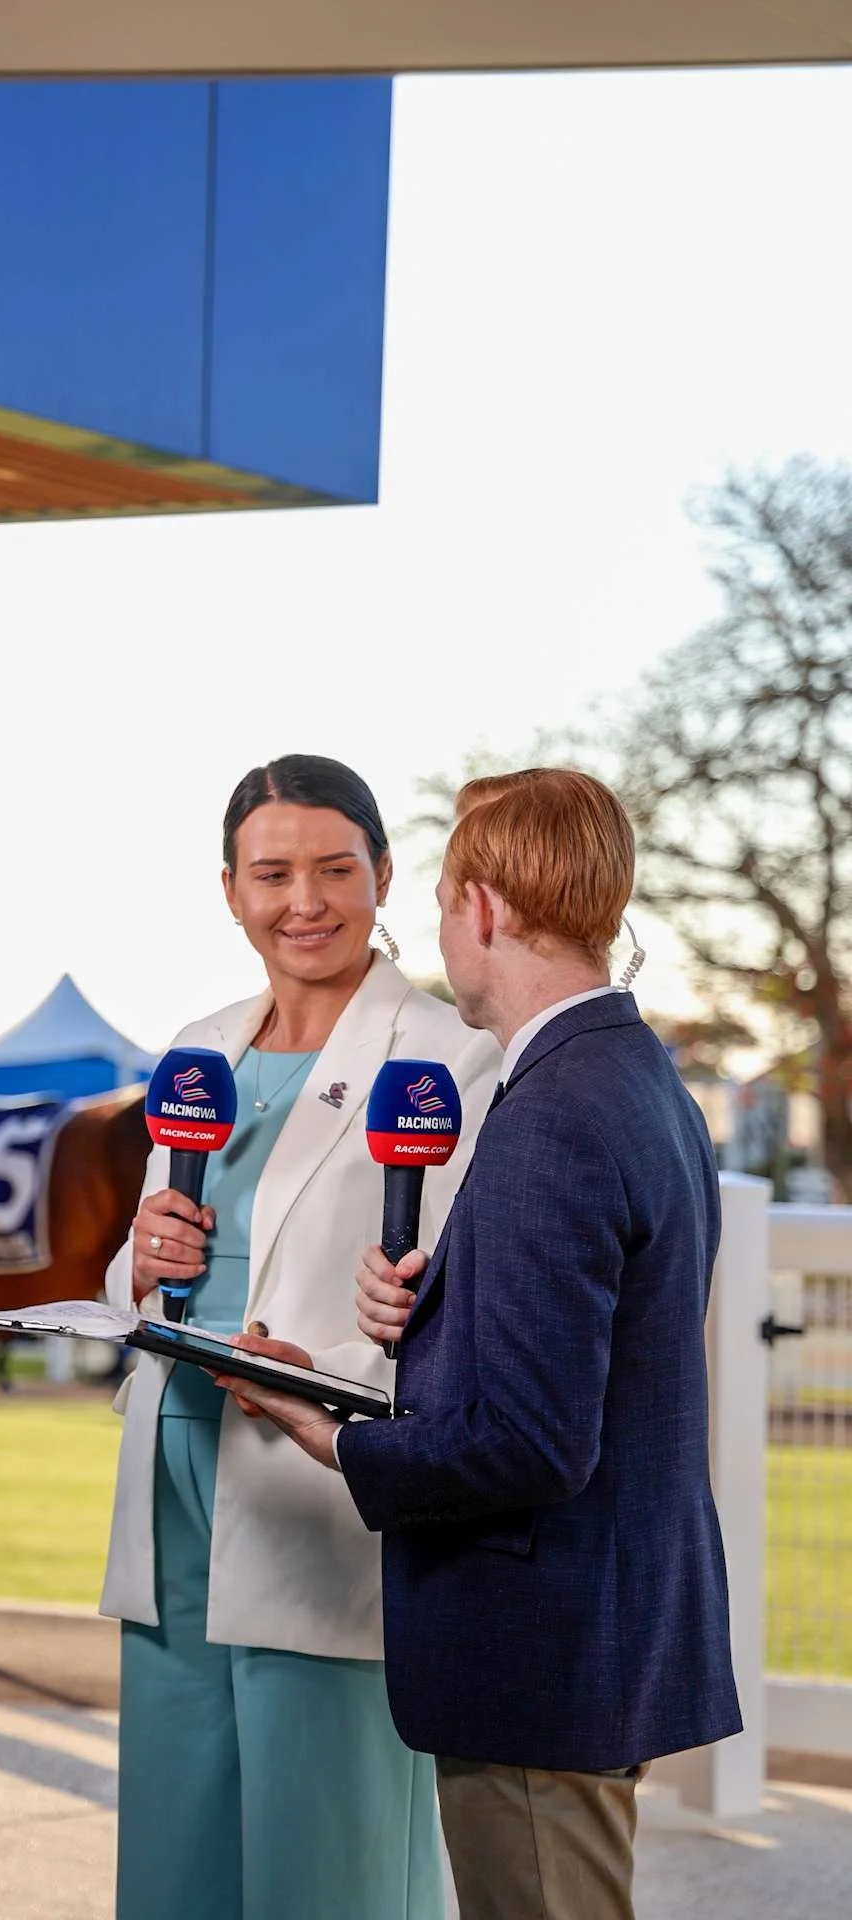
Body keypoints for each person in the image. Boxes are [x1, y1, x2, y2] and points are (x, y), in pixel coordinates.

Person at [218, 767, 742, 1920]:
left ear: (488, 907)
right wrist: (429, 1327)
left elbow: (530, 1446)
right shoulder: (633, 1075)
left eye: (447, 901)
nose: (442, 933)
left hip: (539, 1656)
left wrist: (332, 1436)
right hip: (599, 1628)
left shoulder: (554, 1110)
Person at [100, 753, 502, 1920]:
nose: (304, 901)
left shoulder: (449, 1054)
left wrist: (334, 1392)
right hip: (173, 1462)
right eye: (272, 874)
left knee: (325, 1858)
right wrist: (145, 1255)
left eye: (336, 869)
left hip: (319, 1473)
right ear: (229, 889)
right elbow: (145, 1270)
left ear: (384, 874)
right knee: (176, 1844)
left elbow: (446, 1296)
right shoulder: (200, 1042)